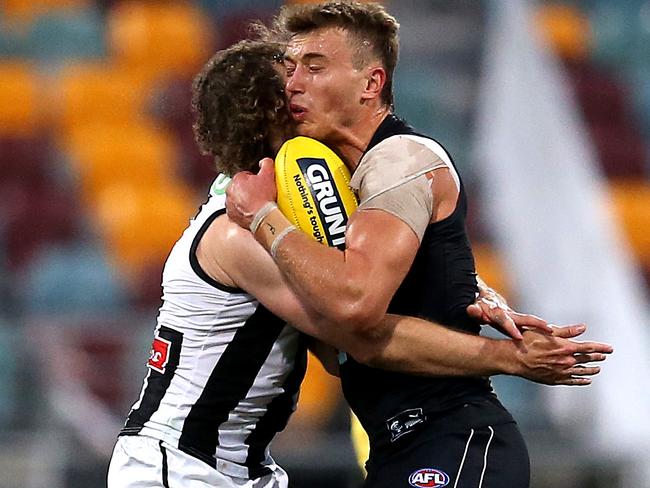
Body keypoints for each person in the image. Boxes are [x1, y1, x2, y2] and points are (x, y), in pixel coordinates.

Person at [107, 36, 610, 488]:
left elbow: (349, 276)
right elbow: (353, 334)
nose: (310, 97)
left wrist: (469, 291)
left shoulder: (279, 218)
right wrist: (512, 359)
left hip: (241, 466)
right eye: (298, 92)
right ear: (279, 121)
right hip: (179, 465)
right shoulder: (240, 234)